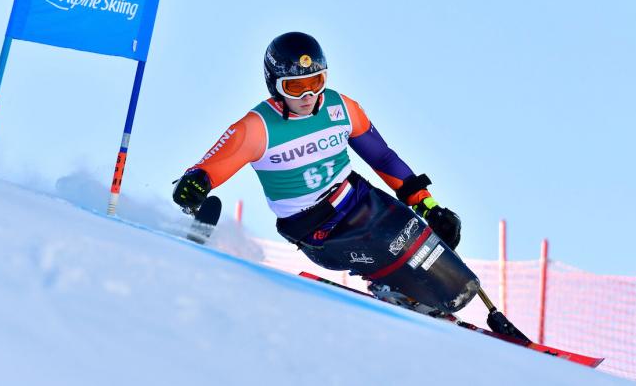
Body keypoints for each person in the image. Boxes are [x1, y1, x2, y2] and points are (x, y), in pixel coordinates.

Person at [173, 32, 468, 312]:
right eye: (296, 87)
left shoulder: (342, 107)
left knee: (420, 234)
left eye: (316, 81)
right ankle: (394, 290)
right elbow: (207, 170)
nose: (309, 95)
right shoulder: (256, 128)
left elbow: (383, 158)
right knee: (385, 244)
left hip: (361, 199)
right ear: (275, 84)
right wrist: (193, 187)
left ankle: (464, 298)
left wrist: (428, 206)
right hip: (311, 225)